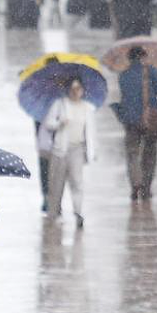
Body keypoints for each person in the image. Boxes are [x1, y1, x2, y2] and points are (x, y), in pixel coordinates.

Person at [43, 78, 98, 227]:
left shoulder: (88, 108)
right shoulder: (60, 105)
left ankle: (78, 212)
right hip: (60, 150)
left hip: (77, 149)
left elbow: (91, 132)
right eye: (73, 89)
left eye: (78, 88)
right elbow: (48, 123)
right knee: (56, 184)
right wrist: (60, 123)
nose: (75, 92)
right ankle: (54, 212)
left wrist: (92, 151)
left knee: (77, 182)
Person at [116, 47, 157, 202]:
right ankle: (147, 187)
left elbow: (124, 95)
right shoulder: (150, 71)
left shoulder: (123, 75)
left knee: (132, 153)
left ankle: (135, 182)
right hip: (150, 119)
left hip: (130, 120)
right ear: (143, 56)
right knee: (150, 153)